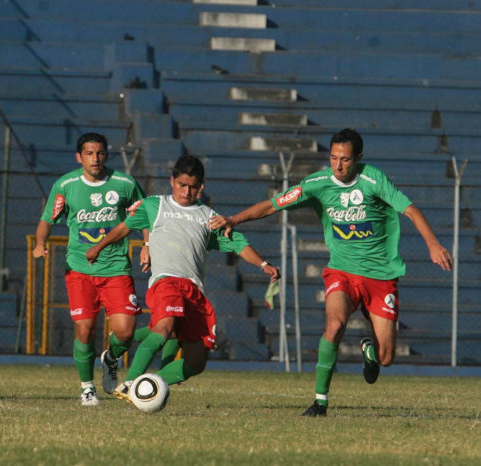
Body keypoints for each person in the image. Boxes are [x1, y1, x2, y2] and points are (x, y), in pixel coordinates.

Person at [208, 128, 452, 417]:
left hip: (380, 276)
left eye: (345, 159)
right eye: (334, 158)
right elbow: (274, 205)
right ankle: (320, 402)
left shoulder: (374, 179)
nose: (338, 165)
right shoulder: (318, 183)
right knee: (335, 324)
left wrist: (433, 244)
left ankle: (370, 352)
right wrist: (234, 219)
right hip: (342, 271)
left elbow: (410, 209)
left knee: (386, 358)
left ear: (359, 158)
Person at [86, 155, 280, 398]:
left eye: (192, 187)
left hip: (194, 289)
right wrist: (99, 246)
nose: (186, 192)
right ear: (172, 181)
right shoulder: (154, 206)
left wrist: (263, 264)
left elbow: (238, 244)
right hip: (165, 281)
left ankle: (149, 386)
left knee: (197, 361)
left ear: (201, 187)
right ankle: (131, 383)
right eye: (181, 185)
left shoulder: (209, 217)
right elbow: (125, 227)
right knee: (164, 328)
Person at [33, 132, 148, 406]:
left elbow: (144, 215)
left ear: (106, 156)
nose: (95, 159)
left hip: (116, 268)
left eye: (100, 153)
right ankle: (87, 388)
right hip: (79, 270)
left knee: (125, 332)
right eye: (89, 153)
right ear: (79, 157)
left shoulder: (125, 183)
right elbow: (47, 219)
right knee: (84, 330)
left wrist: (148, 244)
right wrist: (40, 243)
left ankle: (111, 356)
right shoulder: (66, 185)